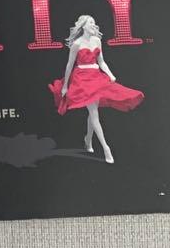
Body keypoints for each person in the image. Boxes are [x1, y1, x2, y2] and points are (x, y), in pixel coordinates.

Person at [48, 15, 143, 164]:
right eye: (91, 23)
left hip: (96, 77)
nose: (94, 25)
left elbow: (102, 62)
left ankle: (88, 139)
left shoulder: (97, 40)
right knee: (94, 113)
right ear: (83, 26)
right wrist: (65, 85)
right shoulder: (77, 44)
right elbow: (69, 65)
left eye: (94, 22)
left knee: (93, 112)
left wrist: (110, 75)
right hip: (82, 80)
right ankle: (106, 148)